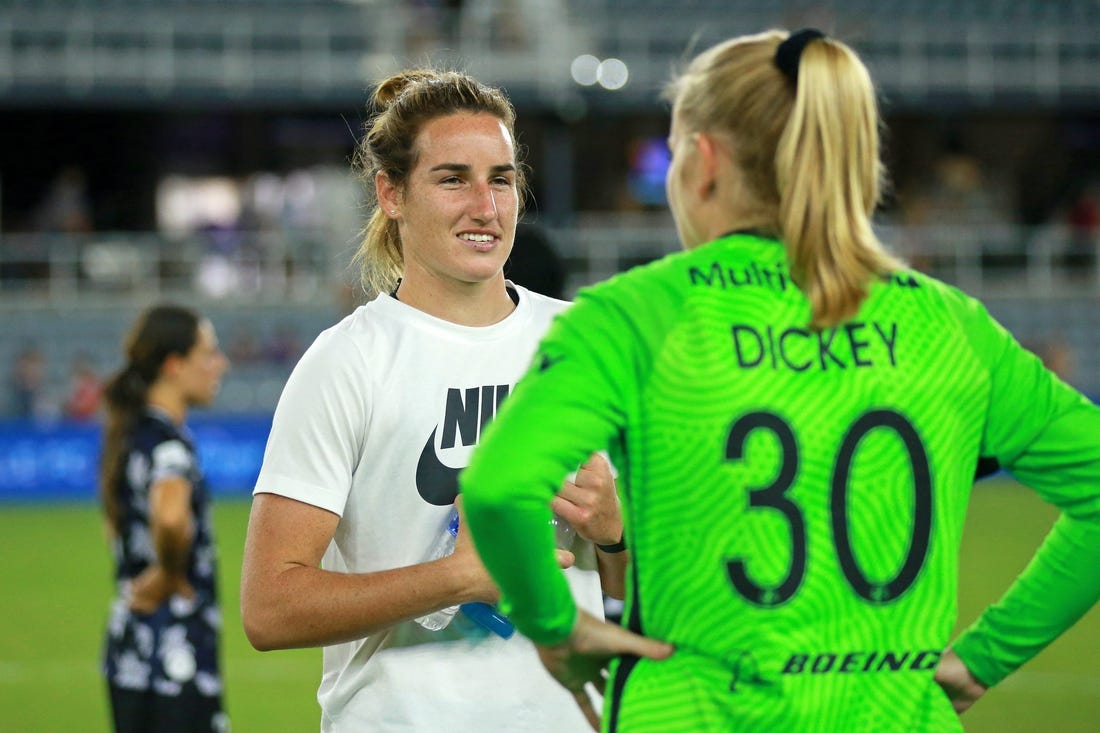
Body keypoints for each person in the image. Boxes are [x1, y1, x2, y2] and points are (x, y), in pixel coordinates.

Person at [461, 29, 1100, 732]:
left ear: (703, 163)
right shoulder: (953, 325)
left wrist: (558, 626)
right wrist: (985, 656)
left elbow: (497, 487)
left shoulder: (635, 314)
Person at [239, 68, 627, 732]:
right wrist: (459, 578)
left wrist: (617, 533)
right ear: (391, 194)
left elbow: (656, 602)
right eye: (453, 179)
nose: (485, 206)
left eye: (501, 178)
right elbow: (270, 608)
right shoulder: (347, 363)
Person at [98, 304, 231, 733]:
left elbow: (114, 529)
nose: (220, 363)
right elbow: (171, 517)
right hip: (177, 655)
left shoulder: (128, 435)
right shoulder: (169, 445)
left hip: (130, 652)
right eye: (208, 353)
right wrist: (169, 572)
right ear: (174, 365)